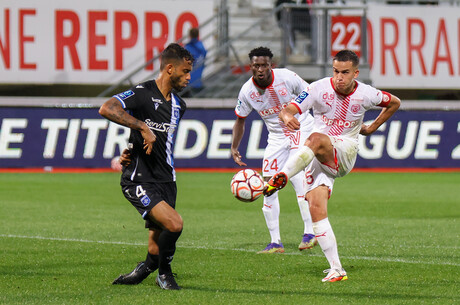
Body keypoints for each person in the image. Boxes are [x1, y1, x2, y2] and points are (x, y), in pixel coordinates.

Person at [264, 49, 401, 282]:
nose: (339, 77)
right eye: (336, 71)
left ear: (356, 73)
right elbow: (288, 109)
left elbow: (395, 102)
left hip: (344, 150)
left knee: (315, 138)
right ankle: (336, 269)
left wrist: (372, 126)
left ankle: (281, 176)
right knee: (315, 208)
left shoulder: (367, 94)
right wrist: (287, 118)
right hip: (318, 156)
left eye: (345, 72)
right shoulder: (317, 88)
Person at [99, 43, 193, 290]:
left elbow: (162, 141)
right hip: (139, 178)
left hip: (166, 180)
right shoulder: (142, 92)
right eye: (185, 71)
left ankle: (143, 270)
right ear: (170, 68)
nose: (189, 77)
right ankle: (165, 274)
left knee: (155, 247)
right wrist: (141, 127)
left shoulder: (179, 106)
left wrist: (133, 146)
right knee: (175, 224)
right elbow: (107, 108)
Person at [231, 46, 317, 254]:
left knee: (298, 179)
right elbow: (240, 121)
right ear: (250, 66)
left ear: (271, 65)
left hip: (300, 127)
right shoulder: (247, 91)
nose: (260, 69)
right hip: (276, 137)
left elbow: (311, 93)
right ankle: (275, 243)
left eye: (264, 65)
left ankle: (310, 233)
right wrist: (234, 146)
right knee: (268, 186)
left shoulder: (287, 77)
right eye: (256, 65)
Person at [183, 28, 207, 97]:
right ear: (198, 35)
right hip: (198, 82)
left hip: (187, 82)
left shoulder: (187, 47)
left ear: (190, 35)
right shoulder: (202, 47)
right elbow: (204, 57)